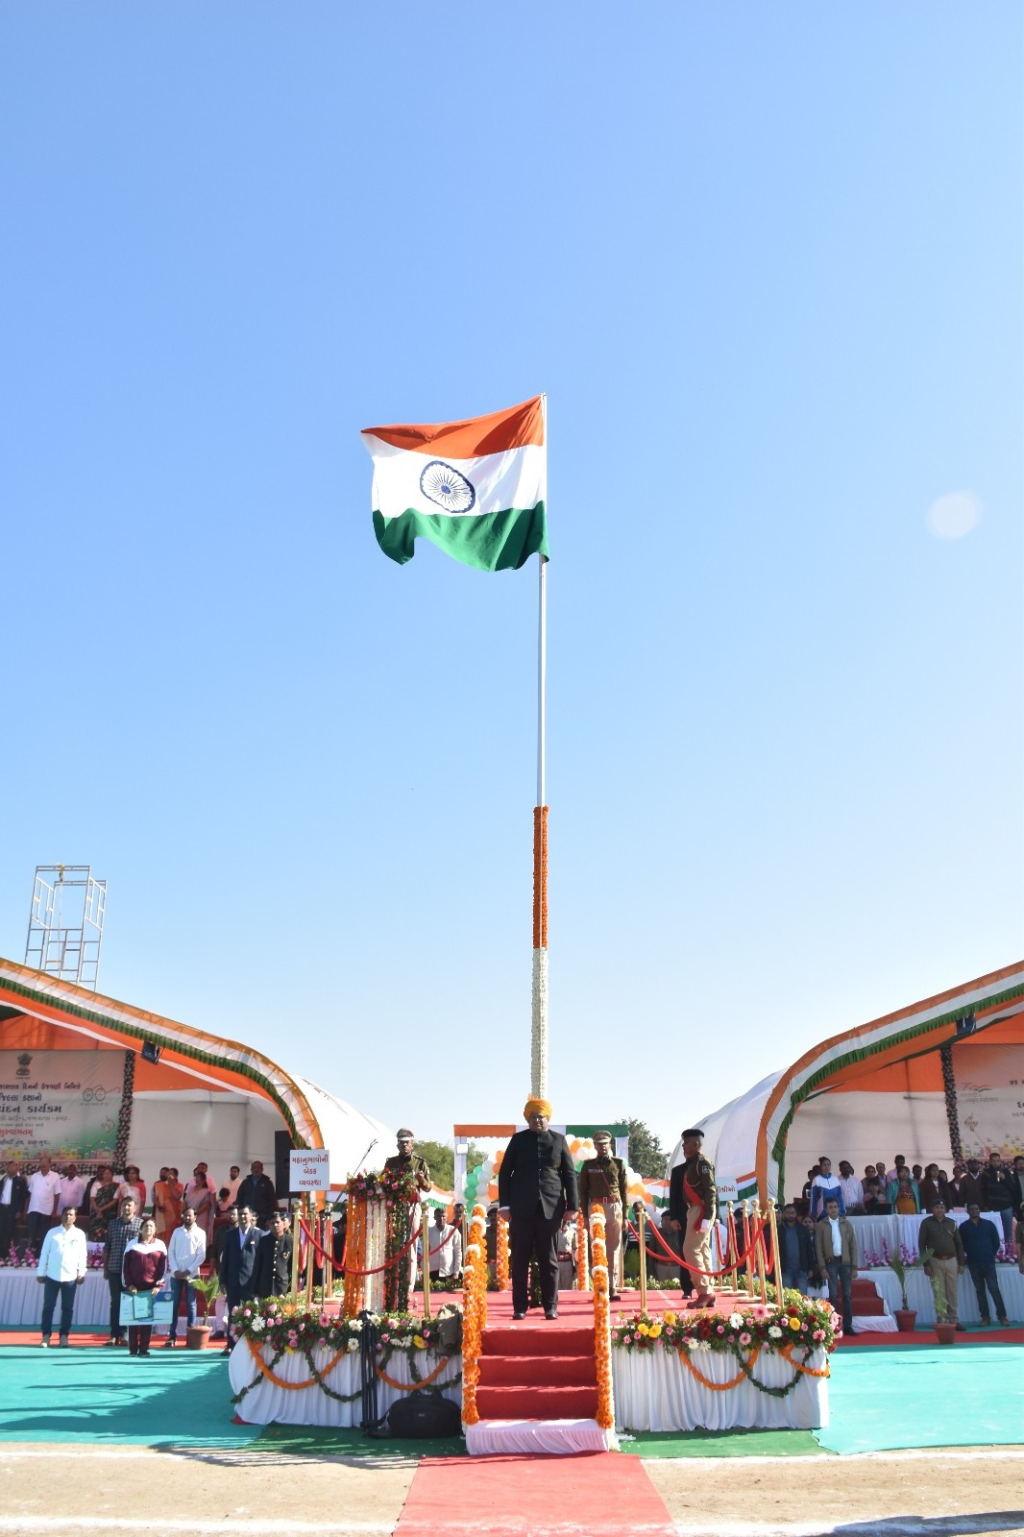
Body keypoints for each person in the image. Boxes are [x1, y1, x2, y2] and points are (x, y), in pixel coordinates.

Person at [498, 1097, 578, 1320]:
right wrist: (505, 1205)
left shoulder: (558, 1140)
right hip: (521, 1209)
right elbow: (505, 1173)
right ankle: (519, 1307)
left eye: (540, 1116)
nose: (537, 1120)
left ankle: (550, 1306)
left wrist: (573, 1206)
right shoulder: (518, 1140)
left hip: (551, 1208)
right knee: (520, 1260)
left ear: (547, 1118)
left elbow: (569, 1174)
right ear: (528, 1119)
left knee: (549, 1260)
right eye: (533, 1117)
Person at [667, 1128, 718, 1309]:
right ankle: (708, 1290)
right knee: (702, 1250)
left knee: (690, 1249)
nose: (683, 1145)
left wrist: (708, 1216)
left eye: (686, 1142)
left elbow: (710, 1190)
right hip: (695, 1209)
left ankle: (704, 1291)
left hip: (700, 1209)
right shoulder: (693, 1163)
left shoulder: (702, 1163)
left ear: (696, 1144)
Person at [577, 1131, 628, 1300]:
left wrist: (625, 1216)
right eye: (599, 1144)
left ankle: (611, 1287)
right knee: (597, 1246)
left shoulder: (618, 1164)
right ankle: (599, 1287)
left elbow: (624, 1191)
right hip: (595, 1207)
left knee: (613, 1248)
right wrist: (585, 1216)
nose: (603, 1146)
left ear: (610, 1145)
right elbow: (583, 1192)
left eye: (605, 1143)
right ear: (595, 1146)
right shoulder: (588, 1165)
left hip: (614, 1206)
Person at [35, 1205, 88, 1347]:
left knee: (67, 1308)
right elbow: (44, 1253)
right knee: (48, 1307)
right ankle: (46, 1336)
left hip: (70, 1277)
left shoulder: (79, 1234)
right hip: (52, 1276)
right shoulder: (52, 1233)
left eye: (71, 1215)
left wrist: (81, 1273)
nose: (68, 1217)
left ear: (75, 1218)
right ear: (61, 1216)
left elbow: (82, 1255)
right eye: (66, 1214)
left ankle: (64, 1336)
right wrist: (40, 1272)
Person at [122, 1217, 167, 1357]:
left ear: (155, 1230)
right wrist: (130, 1285)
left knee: (147, 1322)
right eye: (146, 1226)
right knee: (133, 1321)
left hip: (151, 1289)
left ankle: (144, 1349)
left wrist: (158, 1286)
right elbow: (125, 1267)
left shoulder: (160, 1245)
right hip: (134, 1288)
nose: (148, 1228)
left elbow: (163, 1268)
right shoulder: (132, 1245)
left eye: (151, 1226)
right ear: (140, 1229)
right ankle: (133, 1349)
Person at [959, 1203, 1009, 1327]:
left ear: (979, 1210)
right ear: (968, 1211)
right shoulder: (963, 1227)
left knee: (994, 1289)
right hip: (973, 1263)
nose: (974, 1211)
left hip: (988, 1262)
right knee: (980, 1291)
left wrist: (989, 1254)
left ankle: (1002, 1317)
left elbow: (996, 1242)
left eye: (976, 1209)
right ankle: (985, 1317)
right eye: (972, 1209)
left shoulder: (989, 1224)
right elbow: (961, 1245)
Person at [814, 1196, 858, 1336]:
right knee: (833, 1295)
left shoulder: (846, 1224)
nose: (833, 1209)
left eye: (835, 1207)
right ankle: (834, 1326)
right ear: (826, 1209)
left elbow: (853, 1245)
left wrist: (854, 1266)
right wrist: (822, 1268)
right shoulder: (821, 1225)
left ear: (838, 1208)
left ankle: (848, 1326)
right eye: (830, 1207)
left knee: (847, 1295)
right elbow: (818, 1248)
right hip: (830, 1262)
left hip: (845, 1262)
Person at [918, 1199, 966, 1330]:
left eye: (942, 1207)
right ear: (932, 1209)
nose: (940, 1210)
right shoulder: (926, 1223)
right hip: (935, 1260)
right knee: (939, 1291)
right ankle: (942, 1319)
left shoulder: (952, 1223)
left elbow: (959, 1244)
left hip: (951, 1260)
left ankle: (954, 1320)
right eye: (937, 1207)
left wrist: (961, 1263)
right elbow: (922, 1245)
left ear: (945, 1209)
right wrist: (926, 1264)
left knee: (952, 1291)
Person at [218, 1205, 261, 1348]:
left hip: (251, 1282)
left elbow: (261, 1261)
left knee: (251, 1314)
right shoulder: (230, 1235)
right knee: (233, 1314)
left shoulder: (258, 1234)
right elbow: (225, 1260)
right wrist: (222, 1281)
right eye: (240, 1214)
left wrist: (259, 1283)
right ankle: (231, 1345)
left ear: (251, 1216)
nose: (243, 1217)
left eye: (245, 1214)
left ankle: (251, 1345)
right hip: (233, 1281)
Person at [165, 1204, 207, 1346]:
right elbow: (170, 1252)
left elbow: (201, 1256)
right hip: (176, 1275)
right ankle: (172, 1336)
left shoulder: (200, 1233)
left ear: (195, 1217)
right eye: (185, 1215)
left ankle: (191, 1337)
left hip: (192, 1275)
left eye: (190, 1215)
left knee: (191, 1304)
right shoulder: (177, 1232)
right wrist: (175, 1270)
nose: (187, 1217)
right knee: (174, 1305)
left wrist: (188, 1270)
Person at [104, 1196, 142, 1345]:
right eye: (124, 1205)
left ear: (135, 1208)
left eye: (129, 1205)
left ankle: (125, 1334)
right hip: (114, 1269)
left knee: (129, 1302)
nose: (126, 1208)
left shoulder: (140, 1224)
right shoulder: (113, 1224)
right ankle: (114, 1335)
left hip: (131, 1273)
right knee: (115, 1303)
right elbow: (107, 1247)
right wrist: (105, 1268)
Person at [253, 1210, 293, 1298]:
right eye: (272, 1223)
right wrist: (255, 1289)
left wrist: (292, 1287)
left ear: (283, 1224)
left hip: (283, 1286)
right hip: (265, 1287)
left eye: (277, 1222)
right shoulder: (263, 1241)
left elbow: (293, 1266)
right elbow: (257, 1266)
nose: (275, 1225)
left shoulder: (289, 1241)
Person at [25, 1155, 62, 1251]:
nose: (43, 1164)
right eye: (41, 1162)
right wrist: (26, 1210)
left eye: (45, 1162)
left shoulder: (55, 1176)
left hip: (46, 1211)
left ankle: (40, 1255)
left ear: (50, 1164)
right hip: (33, 1210)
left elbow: (57, 1194)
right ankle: (30, 1254)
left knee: (43, 1235)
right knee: (31, 1233)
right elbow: (30, 1194)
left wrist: (54, 1212)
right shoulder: (34, 1176)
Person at [777, 1203, 814, 1294]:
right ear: (784, 1214)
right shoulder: (779, 1229)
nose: (790, 1215)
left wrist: (811, 1268)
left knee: (803, 1295)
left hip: (802, 1268)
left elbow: (809, 1249)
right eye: (788, 1213)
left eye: (792, 1213)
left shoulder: (803, 1229)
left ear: (796, 1213)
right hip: (785, 1268)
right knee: (787, 1295)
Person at [980, 1152, 1015, 1244]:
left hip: (1006, 1206)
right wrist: (985, 1205)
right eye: (994, 1161)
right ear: (990, 1162)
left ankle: (1008, 1250)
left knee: (1007, 1232)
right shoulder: (986, 1173)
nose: (996, 1163)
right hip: (992, 1208)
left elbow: (1013, 1187)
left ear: (1000, 1161)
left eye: (998, 1161)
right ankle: (996, 1249)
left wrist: (1004, 1178)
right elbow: (982, 1190)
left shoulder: (1006, 1172)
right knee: (993, 1231)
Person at [236, 1161, 278, 1229]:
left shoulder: (268, 1183)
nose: (256, 1170)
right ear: (251, 1169)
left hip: (262, 1218)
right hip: (246, 1217)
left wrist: (270, 1218)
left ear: (262, 1169)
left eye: (258, 1168)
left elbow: (272, 1202)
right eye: (254, 1168)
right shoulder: (245, 1182)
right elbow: (239, 1200)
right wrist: (239, 1215)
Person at [427, 1206, 463, 1282]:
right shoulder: (429, 1231)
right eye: (438, 1216)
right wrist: (424, 1271)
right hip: (432, 1272)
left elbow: (458, 1252)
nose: (441, 1218)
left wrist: (456, 1272)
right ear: (434, 1217)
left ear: (447, 1217)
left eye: (443, 1216)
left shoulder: (453, 1231)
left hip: (448, 1272)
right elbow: (425, 1252)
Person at [0, 1160, 28, 1256]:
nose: (10, 1169)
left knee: (9, 1231)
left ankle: (4, 1253)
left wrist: (19, 1211)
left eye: (13, 1167)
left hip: (12, 1210)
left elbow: (23, 1197)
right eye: (9, 1167)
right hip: (2, 1208)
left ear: (17, 1168)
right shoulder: (4, 1179)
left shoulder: (21, 1181)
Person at [88, 1166, 120, 1242]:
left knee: (107, 1233)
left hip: (110, 1213)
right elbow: (92, 1198)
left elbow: (115, 1200)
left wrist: (101, 1209)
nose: (106, 1175)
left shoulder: (116, 1186)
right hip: (95, 1213)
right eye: (105, 1173)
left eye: (109, 1173)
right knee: (95, 1233)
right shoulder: (96, 1184)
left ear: (112, 1175)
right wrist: (97, 1210)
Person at [188, 1168, 216, 1247]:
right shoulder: (191, 1190)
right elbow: (186, 1202)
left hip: (201, 1217)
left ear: (203, 1180)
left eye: (199, 1178)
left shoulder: (207, 1192)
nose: (197, 1180)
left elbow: (207, 1205)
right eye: (196, 1178)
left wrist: (195, 1213)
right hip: (189, 1216)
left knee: (199, 1236)